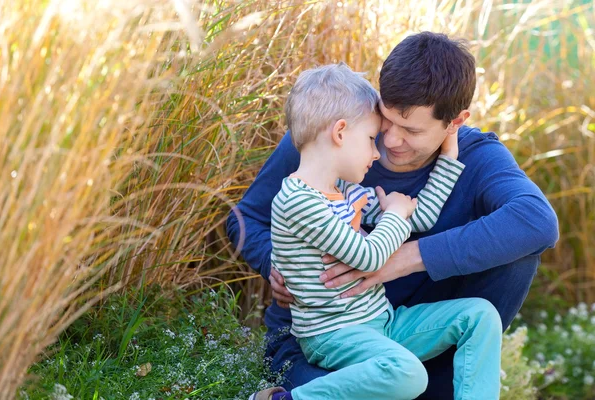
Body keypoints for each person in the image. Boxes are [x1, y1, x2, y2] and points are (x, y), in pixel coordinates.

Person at [227, 32, 559, 399]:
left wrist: (404, 259)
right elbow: (245, 219)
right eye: (386, 120)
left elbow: (537, 221)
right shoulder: (328, 139)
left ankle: (442, 382)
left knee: (517, 254)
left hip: (398, 331)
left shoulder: (476, 157)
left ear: (455, 122)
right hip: (326, 337)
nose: (390, 141)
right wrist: (282, 264)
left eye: (412, 130)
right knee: (386, 383)